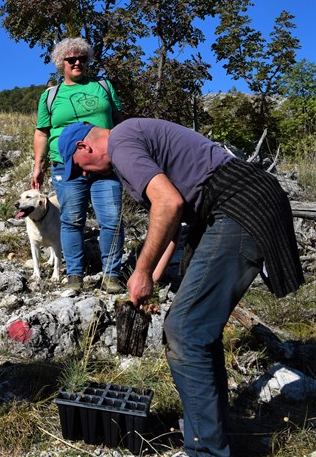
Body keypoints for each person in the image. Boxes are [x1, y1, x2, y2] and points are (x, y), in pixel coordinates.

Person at [59, 119, 303, 457]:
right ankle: (212, 429)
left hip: (239, 204)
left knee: (185, 330)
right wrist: (151, 280)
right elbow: (172, 222)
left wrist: (140, 270)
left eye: (78, 169)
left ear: (82, 148)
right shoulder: (131, 143)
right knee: (197, 328)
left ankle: (206, 449)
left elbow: (168, 204)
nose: (84, 176)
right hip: (227, 207)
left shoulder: (121, 142)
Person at [30, 37, 126, 294]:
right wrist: (38, 165)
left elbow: (121, 121)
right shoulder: (51, 96)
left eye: (82, 58)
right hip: (66, 165)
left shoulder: (103, 87)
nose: (77, 63)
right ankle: (74, 274)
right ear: (60, 63)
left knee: (112, 218)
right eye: (71, 59)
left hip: (105, 164)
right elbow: (42, 132)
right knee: (72, 220)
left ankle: (111, 275)